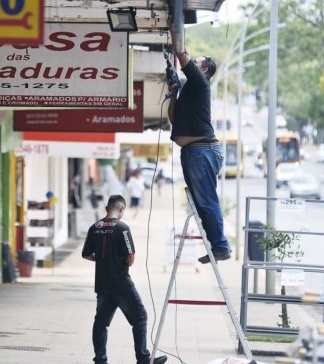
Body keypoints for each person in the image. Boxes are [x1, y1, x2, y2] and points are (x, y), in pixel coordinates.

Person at [82, 195, 167, 364]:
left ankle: (100, 360)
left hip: (102, 284)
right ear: (121, 210)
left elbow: (85, 254)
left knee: (101, 323)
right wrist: (121, 261)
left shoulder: (94, 227)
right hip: (121, 283)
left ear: (107, 208)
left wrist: (102, 259)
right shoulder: (122, 228)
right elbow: (130, 257)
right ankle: (143, 358)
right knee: (140, 317)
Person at [166, 48, 231, 264]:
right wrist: (173, 90)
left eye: (196, 62)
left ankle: (221, 247)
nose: (192, 62)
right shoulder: (190, 90)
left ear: (202, 69)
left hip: (202, 151)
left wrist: (176, 38)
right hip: (195, 152)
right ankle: (216, 246)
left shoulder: (201, 83)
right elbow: (173, 118)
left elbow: (182, 55)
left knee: (207, 201)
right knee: (201, 203)